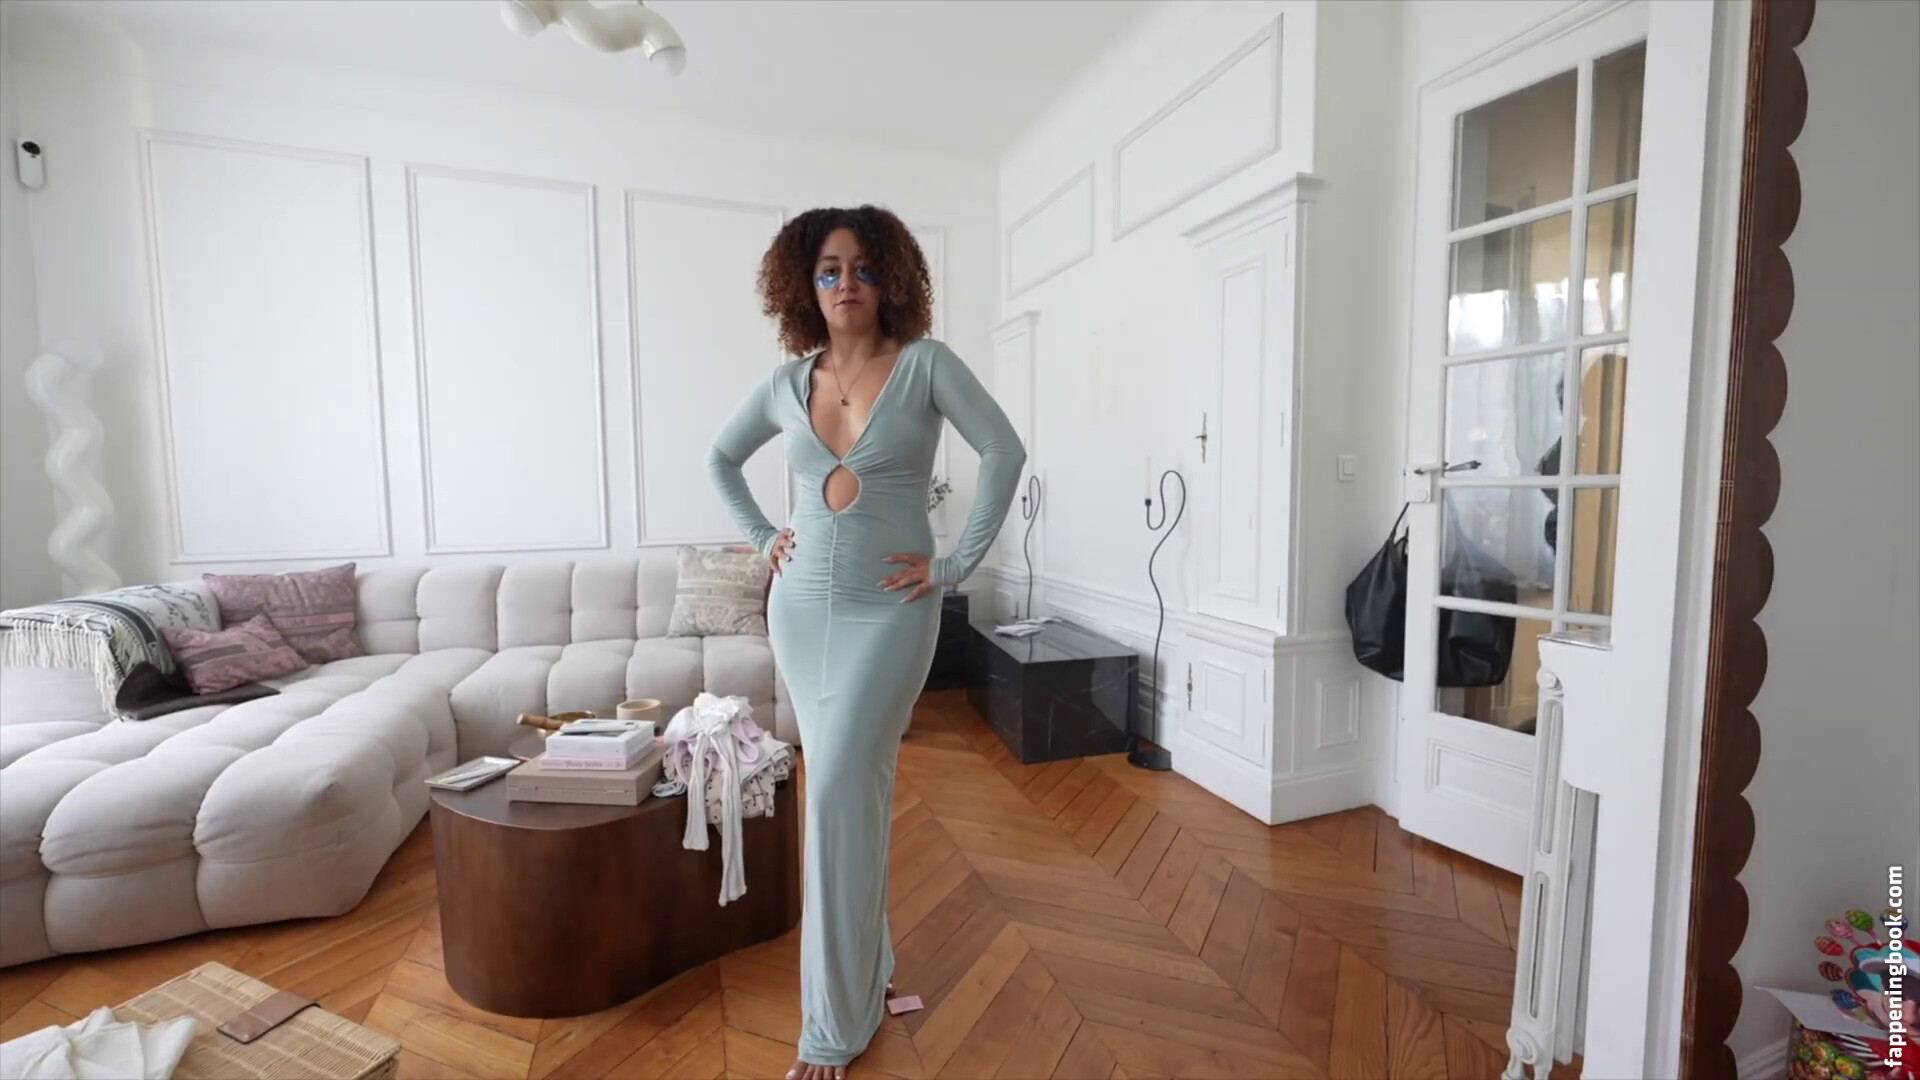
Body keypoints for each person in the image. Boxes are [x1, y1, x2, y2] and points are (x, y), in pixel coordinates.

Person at [706, 205, 1026, 1080]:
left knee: (841, 786)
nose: (846, 283)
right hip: (799, 612)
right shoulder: (787, 383)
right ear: (804, 287)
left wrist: (954, 563)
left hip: (891, 613)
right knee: (849, 792)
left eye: (862, 267)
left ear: (891, 279)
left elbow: (1004, 451)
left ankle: (831, 1027)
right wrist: (763, 537)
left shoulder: (925, 365)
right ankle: (867, 966)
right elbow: (720, 460)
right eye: (829, 270)